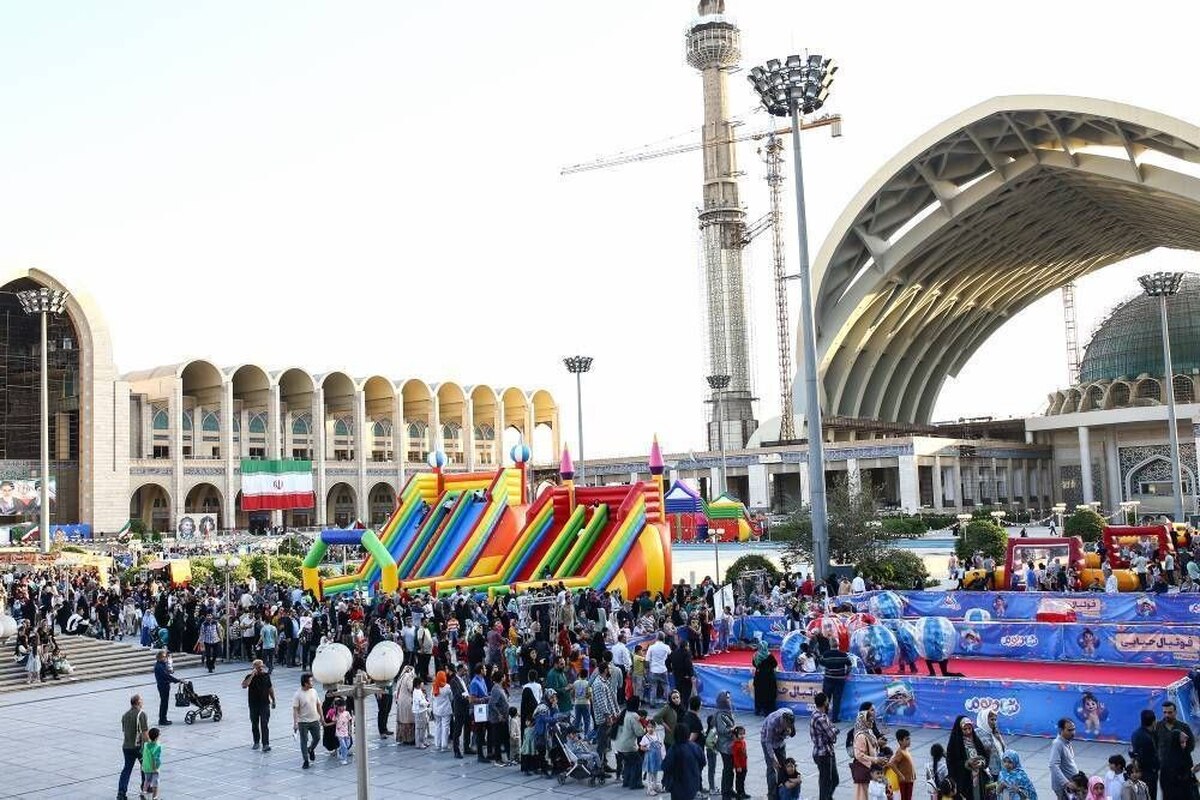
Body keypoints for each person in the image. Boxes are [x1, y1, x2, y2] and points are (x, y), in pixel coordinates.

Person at [1155, 700, 1197, 800]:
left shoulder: (1183, 727)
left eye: (1170, 712)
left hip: (1182, 769)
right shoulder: (1158, 727)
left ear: (1175, 712)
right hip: (1165, 768)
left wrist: (1179, 751)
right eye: (1164, 712)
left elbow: (1191, 746)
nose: (1167, 715)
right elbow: (1155, 745)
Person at [662, 722, 706, 800]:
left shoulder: (673, 749)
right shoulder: (695, 747)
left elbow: (666, 766)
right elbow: (703, 762)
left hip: (677, 785)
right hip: (693, 783)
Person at [118, 694, 149, 800]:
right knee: (145, 767)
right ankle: (145, 787)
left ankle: (121, 793)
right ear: (138, 703)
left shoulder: (125, 715)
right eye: (142, 700)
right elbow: (144, 733)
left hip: (126, 747)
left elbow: (124, 730)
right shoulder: (141, 714)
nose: (143, 702)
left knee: (126, 769)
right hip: (138, 747)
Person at [761, 707, 796, 800]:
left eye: (790, 725)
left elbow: (793, 733)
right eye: (786, 725)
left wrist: (789, 731)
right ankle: (772, 795)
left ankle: (782, 791)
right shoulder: (773, 722)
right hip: (767, 740)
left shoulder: (790, 716)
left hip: (780, 742)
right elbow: (768, 742)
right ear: (783, 721)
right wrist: (773, 759)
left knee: (784, 766)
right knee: (771, 768)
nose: (788, 727)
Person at [810, 691, 840, 800]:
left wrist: (833, 730)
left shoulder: (820, 715)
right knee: (825, 782)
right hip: (823, 754)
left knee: (834, 779)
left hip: (828, 751)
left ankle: (827, 797)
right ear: (825, 702)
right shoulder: (820, 718)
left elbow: (831, 729)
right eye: (827, 700)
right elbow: (832, 734)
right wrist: (835, 730)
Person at [853, 709, 888, 800]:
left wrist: (878, 743)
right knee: (864, 795)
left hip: (871, 768)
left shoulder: (869, 731)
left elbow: (871, 745)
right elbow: (859, 755)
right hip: (864, 769)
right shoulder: (861, 736)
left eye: (872, 719)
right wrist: (875, 760)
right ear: (863, 721)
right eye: (869, 720)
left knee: (873, 794)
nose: (872, 722)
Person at [242, 658, 276, 752]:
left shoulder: (266, 676)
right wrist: (252, 675)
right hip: (253, 704)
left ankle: (266, 744)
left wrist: (273, 700)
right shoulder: (249, 676)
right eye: (258, 667)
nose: (261, 668)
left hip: (264, 703)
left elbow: (270, 688)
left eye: (261, 666)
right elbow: (244, 685)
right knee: (254, 723)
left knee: (264, 724)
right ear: (254, 668)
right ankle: (256, 741)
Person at [292, 672, 322, 770]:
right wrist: (295, 723)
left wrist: (321, 716)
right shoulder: (298, 694)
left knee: (317, 738)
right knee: (304, 741)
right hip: (303, 721)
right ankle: (306, 760)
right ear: (305, 683)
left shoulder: (314, 691)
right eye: (311, 681)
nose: (312, 682)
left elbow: (318, 705)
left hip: (314, 719)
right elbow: (295, 709)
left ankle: (311, 749)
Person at [615, 695, 646, 790]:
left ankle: (626, 781)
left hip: (619, 745)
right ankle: (635, 783)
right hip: (629, 746)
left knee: (628, 763)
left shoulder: (624, 713)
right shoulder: (634, 716)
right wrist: (645, 728)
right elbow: (639, 732)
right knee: (637, 763)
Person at [1131, 709, 1161, 800]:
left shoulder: (1136, 733)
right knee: (1150, 795)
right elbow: (1152, 757)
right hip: (1149, 773)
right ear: (1153, 721)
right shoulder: (1148, 738)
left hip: (1139, 770)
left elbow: (1132, 752)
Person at [713, 690, 737, 800]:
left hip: (731, 745)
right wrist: (733, 730)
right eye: (727, 698)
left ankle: (730, 789)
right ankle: (725, 792)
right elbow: (722, 730)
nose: (729, 700)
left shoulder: (728, 712)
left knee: (730, 769)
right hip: (725, 746)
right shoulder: (720, 714)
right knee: (727, 769)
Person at [1049, 718, 1080, 800]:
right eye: (1069, 730)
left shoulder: (1067, 742)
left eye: (1074, 729)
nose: (1073, 733)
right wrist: (1066, 783)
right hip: (1064, 788)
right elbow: (1053, 765)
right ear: (1060, 730)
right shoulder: (1058, 744)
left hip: (1072, 784)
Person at [820, 646, 851, 723]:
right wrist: (846, 673)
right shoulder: (843, 655)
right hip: (839, 680)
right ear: (837, 646)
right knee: (837, 699)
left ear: (830, 645)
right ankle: (835, 718)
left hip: (828, 679)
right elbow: (850, 665)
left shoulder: (826, 654)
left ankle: (824, 717)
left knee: (826, 699)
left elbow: (821, 663)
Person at [152, 650, 181, 725]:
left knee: (165, 702)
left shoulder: (162, 664)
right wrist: (177, 680)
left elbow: (168, 673)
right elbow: (166, 676)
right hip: (163, 686)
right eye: (164, 657)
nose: (166, 658)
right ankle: (162, 719)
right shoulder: (159, 666)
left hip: (165, 685)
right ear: (160, 658)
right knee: (164, 703)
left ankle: (163, 718)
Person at [975, 708, 1006, 778]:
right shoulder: (977, 733)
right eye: (992, 719)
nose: (994, 722)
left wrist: (999, 738)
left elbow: (1002, 749)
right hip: (987, 772)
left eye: (995, 720)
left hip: (1000, 770)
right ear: (984, 720)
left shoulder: (994, 732)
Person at [752, 639, 779, 716]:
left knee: (759, 695)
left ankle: (758, 710)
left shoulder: (755, 655)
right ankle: (768, 710)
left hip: (758, 677)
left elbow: (754, 664)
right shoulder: (769, 655)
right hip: (768, 678)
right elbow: (775, 664)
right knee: (769, 694)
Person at [891, 729, 917, 800]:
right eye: (907, 739)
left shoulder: (905, 750)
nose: (909, 741)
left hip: (909, 780)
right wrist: (900, 775)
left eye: (909, 738)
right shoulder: (900, 752)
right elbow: (892, 764)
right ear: (900, 741)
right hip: (904, 781)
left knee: (908, 797)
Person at [646, 633, 671, 707]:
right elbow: (670, 653)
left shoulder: (651, 647)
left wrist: (647, 670)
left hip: (653, 670)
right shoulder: (666, 647)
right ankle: (669, 701)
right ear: (663, 638)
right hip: (663, 669)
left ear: (656, 638)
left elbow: (647, 660)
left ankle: (652, 703)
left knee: (653, 687)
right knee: (666, 686)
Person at [642, 719, 665, 795]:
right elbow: (641, 747)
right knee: (650, 773)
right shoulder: (645, 737)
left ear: (655, 727)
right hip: (650, 758)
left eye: (652, 727)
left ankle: (655, 786)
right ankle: (649, 788)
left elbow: (661, 745)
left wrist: (662, 755)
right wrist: (647, 749)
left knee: (655, 772)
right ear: (646, 727)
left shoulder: (657, 735)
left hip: (657, 757)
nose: (650, 729)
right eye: (648, 727)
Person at [431, 670, 453, 752]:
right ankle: (444, 745)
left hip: (436, 710)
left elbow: (431, 698)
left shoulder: (434, 686)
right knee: (445, 727)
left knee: (437, 727)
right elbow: (451, 697)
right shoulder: (447, 687)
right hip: (446, 709)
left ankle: (437, 744)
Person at [140, 726, 162, 800]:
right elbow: (156, 759)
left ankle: (144, 793)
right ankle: (155, 797)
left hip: (146, 767)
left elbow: (142, 752)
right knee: (155, 783)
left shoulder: (146, 745)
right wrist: (156, 767)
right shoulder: (157, 747)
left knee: (147, 780)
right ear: (156, 738)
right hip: (154, 768)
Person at [412, 675, 431, 749]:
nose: (422, 684)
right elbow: (420, 702)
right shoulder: (416, 692)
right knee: (419, 728)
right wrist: (427, 703)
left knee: (423, 727)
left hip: (422, 710)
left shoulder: (419, 691)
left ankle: (422, 741)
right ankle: (419, 743)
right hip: (419, 711)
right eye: (421, 683)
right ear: (418, 684)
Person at [333, 698, 353, 765]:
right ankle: (344, 759)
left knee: (347, 744)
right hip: (339, 733)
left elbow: (350, 722)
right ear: (338, 707)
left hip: (346, 732)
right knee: (344, 746)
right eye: (341, 706)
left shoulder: (347, 713)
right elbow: (334, 721)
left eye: (344, 706)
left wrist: (350, 731)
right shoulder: (336, 714)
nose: (343, 707)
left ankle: (341, 750)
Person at [732, 726, 749, 800]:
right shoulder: (736, 745)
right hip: (739, 766)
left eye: (743, 734)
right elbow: (735, 757)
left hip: (744, 764)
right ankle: (739, 793)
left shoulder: (743, 742)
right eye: (740, 734)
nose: (742, 736)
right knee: (739, 780)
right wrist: (738, 766)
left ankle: (743, 792)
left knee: (743, 779)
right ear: (736, 735)